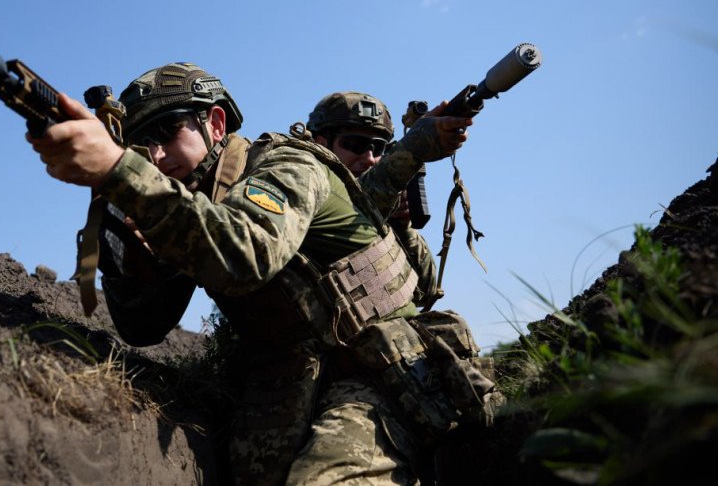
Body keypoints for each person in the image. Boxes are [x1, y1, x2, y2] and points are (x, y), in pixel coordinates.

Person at [27, 63, 498, 485]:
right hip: (296, 383)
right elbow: (143, 327)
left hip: (388, 380)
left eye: (166, 132)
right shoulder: (194, 201)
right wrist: (125, 228)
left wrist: (119, 168)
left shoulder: (287, 164)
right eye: (139, 145)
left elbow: (245, 256)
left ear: (214, 123)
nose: (153, 155)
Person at [299, 91, 441, 311]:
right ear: (321, 144)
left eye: (378, 148)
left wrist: (403, 228)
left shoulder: (385, 211)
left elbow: (427, 292)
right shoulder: (302, 189)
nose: (369, 158)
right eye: (355, 144)